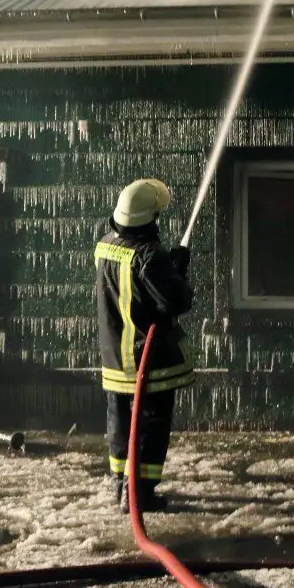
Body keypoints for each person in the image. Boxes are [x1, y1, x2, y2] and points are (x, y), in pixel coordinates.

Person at [95, 177, 194, 513]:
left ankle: (121, 487)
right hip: (146, 360)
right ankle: (142, 494)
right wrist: (177, 270)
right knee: (151, 426)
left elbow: (136, 294)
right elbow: (176, 301)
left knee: (120, 424)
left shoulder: (106, 244)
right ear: (149, 217)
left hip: (115, 357)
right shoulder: (150, 255)